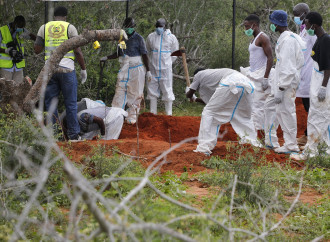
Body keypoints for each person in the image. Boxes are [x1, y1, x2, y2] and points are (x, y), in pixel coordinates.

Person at [34, 6, 87, 140]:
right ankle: (74, 136)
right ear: (65, 17)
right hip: (67, 69)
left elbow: (37, 49)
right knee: (70, 103)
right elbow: (77, 51)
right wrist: (83, 69)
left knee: (51, 104)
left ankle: (56, 137)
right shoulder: (70, 27)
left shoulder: (44, 27)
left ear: (54, 17)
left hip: (50, 70)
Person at [187, 68, 260, 155]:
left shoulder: (198, 74)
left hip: (230, 82)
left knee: (209, 113)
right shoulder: (214, 74)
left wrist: (188, 92)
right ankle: (251, 144)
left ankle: (204, 148)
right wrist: (195, 99)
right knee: (243, 117)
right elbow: (214, 102)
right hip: (247, 84)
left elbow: (190, 93)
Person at [291, 12, 330, 160]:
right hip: (317, 82)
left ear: (314, 25)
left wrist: (323, 88)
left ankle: (311, 153)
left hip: (322, 84)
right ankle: (323, 151)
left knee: (318, 118)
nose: (305, 27)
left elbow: (328, 67)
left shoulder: (326, 40)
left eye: (306, 24)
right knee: (316, 118)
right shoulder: (319, 39)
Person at [268, 10, 306, 154]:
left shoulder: (288, 41)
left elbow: (288, 68)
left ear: (277, 24)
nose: (272, 25)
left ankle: (291, 146)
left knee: (287, 112)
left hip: (286, 84)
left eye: (273, 23)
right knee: (282, 112)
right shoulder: (288, 38)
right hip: (286, 83)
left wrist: (281, 88)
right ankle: (289, 144)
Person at [100, 17, 150, 124]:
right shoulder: (122, 38)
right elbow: (119, 53)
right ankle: (115, 115)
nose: (129, 29)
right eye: (127, 27)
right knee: (120, 91)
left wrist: (148, 71)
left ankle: (132, 116)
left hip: (136, 68)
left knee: (135, 93)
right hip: (124, 68)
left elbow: (145, 55)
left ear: (133, 27)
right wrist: (107, 57)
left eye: (130, 27)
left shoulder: (139, 38)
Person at [240, 14, 278, 148]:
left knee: (258, 108)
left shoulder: (263, 37)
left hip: (262, 76)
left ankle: (260, 138)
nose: (245, 29)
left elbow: (270, 58)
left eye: (246, 26)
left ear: (254, 25)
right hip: (254, 74)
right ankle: (254, 138)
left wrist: (266, 77)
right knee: (254, 107)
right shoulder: (254, 39)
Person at [293, 3, 317, 147]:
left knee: (311, 108)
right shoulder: (304, 30)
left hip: (311, 73)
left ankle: (309, 137)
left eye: (297, 14)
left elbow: (317, 50)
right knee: (308, 107)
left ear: (305, 13)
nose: (296, 17)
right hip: (304, 74)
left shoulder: (312, 33)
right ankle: (307, 135)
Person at [146, 18, 179, 115]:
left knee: (167, 90)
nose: (158, 28)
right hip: (153, 69)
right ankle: (153, 113)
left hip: (165, 70)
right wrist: (148, 68)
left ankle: (169, 114)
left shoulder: (171, 38)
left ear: (164, 27)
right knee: (152, 90)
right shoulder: (151, 37)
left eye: (160, 27)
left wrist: (168, 63)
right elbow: (147, 52)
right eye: (157, 26)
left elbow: (175, 53)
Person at [60, 98, 127, 141]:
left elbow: (100, 120)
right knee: (85, 139)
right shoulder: (73, 125)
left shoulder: (83, 116)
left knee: (108, 142)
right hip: (104, 121)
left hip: (114, 117)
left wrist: (102, 134)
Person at [0, 15, 36, 83]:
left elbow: (36, 39)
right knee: (7, 90)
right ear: (14, 23)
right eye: (19, 27)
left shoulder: (21, 30)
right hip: (6, 67)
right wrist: (6, 51)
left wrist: (28, 34)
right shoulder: (2, 30)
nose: (20, 29)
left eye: (22, 27)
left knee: (18, 90)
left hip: (18, 66)